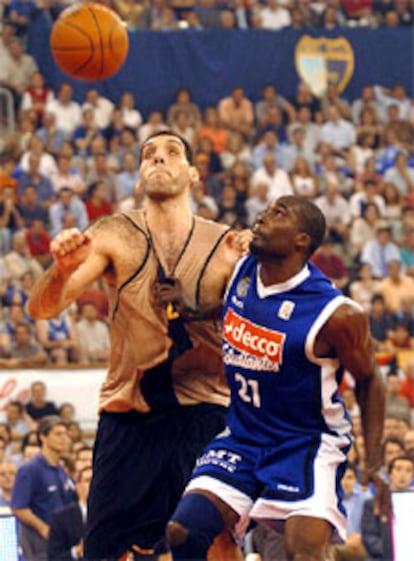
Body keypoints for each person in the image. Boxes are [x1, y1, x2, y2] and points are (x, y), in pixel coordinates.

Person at [27, 131, 248, 561]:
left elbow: (256, 328)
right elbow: (42, 308)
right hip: (130, 416)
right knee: (102, 551)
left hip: (203, 412)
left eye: (171, 153)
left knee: (218, 543)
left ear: (193, 173)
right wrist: (59, 270)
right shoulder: (112, 233)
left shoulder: (226, 246)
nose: (159, 160)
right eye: (149, 155)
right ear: (139, 175)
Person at [166, 196, 388, 561]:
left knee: (303, 553)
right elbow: (233, 307)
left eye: (277, 213)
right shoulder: (243, 271)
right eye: (267, 210)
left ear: (302, 240)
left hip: (305, 443)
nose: (262, 216)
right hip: (244, 436)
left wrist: (375, 461)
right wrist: (190, 308)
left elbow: (370, 380)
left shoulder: (336, 313)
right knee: (182, 531)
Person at [11, 416, 74, 561]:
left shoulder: (60, 470)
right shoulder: (31, 469)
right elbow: (19, 507)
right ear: (43, 437)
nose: (64, 438)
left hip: (60, 541)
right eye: (58, 434)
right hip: (39, 542)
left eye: (65, 434)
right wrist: (44, 529)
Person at [47, 465, 92, 561]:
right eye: (88, 480)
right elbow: (54, 557)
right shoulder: (61, 518)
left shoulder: (111, 516)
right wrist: (76, 552)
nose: (93, 484)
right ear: (78, 486)